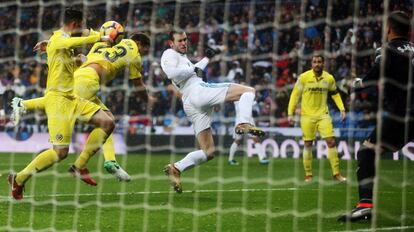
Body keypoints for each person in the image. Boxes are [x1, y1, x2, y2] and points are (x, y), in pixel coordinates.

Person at [12, 32, 152, 184]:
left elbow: (82, 39)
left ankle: (98, 163)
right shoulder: (134, 54)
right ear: (139, 44)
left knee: (108, 120)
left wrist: (52, 44)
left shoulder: (101, 45)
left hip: (81, 77)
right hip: (88, 82)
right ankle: (24, 104)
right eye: (146, 50)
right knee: (63, 118)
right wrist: (149, 100)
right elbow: (138, 86)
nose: (145, 54)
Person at [8, 8, 115, 200]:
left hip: (72, 98)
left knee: (108, 122)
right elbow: (73, 41)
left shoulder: (58, 43)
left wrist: (79, 60)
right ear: (75, 24)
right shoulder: (59, 38)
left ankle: (80, 166)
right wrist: (101, 37)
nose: (82, 29)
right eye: (81, 25)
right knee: (60, 152)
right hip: (58, 101)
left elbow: (68, 55)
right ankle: (19, 179)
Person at [161, 30, 265, 193]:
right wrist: (194, 69)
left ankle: (176, 168)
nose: (184, 43)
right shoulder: (169, 54)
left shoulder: (183, 58)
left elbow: (193, 70)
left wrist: (207, 58)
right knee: (248, 91)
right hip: (197, 91)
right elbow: (171, 73)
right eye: (180, 40)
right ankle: (243, 123)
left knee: (208, 152)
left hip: (191, 103)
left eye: (185, 40)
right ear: (171, 43)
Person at [338, 11, 414, 222]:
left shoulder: (387, 50)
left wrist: (352, 84)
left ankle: (365, 206)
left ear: (389, 28)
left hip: (403, 115)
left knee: (366, 152)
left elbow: (372, 79)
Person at [287, 54, 347, 183]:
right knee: (308, 144)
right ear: (311, 63)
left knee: (331, 142)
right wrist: (290, 113)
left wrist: (342, 109)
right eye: (314, 62)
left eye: (319, 62)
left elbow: (335, 94)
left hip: (323, 115)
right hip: (307, 116)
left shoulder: (329, 78)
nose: (317, 64)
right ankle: (308, 175)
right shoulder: (303, 78)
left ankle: (336, 174)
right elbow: (294, 96)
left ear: (323, 63)